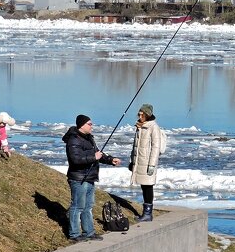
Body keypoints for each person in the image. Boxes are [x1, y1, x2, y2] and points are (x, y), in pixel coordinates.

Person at [62, 114, 121, 242]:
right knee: (77, 206)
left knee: (88, 206)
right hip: (79, 178)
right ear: (82, 125)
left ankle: (89, 232)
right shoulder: (74, 140)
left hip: (89, 177)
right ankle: (74, 234)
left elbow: (98, 153)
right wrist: (93, 157)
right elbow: (75, 159)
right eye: (89, 124)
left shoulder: (89, 138)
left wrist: (111, 160)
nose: (92, 126)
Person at [128, 103, 163, 222]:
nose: (139, 115)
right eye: (139, 113)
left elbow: (156, 147)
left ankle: (148, 213)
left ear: (147, 114)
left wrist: (152, 164)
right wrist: (132, 161)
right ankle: (146, 213)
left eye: (142, 113)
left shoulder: (153, 127)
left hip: (147, 162)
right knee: (144, 186)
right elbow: (135, 147)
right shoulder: (139, 126)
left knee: (148, 186)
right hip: (139, 161)